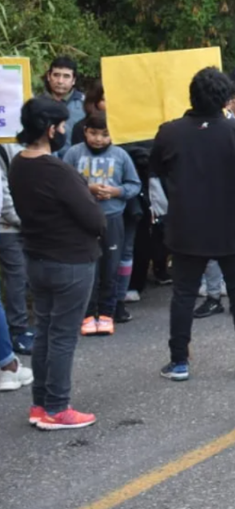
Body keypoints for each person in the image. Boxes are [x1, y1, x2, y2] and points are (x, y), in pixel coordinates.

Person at [150, 68, 235, 382]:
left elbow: (155, 172)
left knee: (184, 293)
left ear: (191, 95)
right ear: (226, 99)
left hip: (187, 225)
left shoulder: (169, 132)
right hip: (233, 224)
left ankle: (179, 361)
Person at [9, 98, 105, 429]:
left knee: (46, 332)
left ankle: (40, 404)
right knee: (62, 336)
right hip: (71, 260)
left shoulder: (19, 163)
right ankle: (57, 407)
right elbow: (95, 221)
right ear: (50, 129)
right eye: (62, 126)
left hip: (37, 256)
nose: (65, 131)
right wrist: (87, 193)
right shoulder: (58, 170)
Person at [63, 112, 142, 333]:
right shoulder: (73, 153)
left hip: (112, 218)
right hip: (81, 219)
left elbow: (134, 184)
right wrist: (87, 189)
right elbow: (63, 183)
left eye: (105, 134)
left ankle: (107, 312)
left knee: (110, 266)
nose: (98, 139)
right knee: (87, 267)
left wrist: (116, 191)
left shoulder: (120, 155)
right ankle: (87, 314)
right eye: (93, 133)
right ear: (85, 131)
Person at [0, 141, 32, 355]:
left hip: (11, 223)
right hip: (8, 225)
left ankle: (17, 329)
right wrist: (21, 220)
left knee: (18, 276)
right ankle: (17, 330)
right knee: (17, 275)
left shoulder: (12, 143)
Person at [39, 57, 86, 145]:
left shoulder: (85, 104)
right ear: (49, 76)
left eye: (66, 76)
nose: (60, 81)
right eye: (56, 75)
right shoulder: (37, 104)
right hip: (45, 156)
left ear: (74, 80)